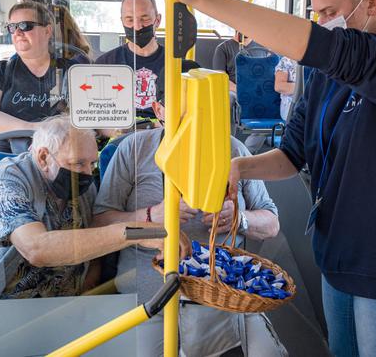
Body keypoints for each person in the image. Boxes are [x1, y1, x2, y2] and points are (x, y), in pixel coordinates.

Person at [156, 0, 376, 357]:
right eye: (315, 12)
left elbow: (337, 51)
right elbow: (294, 154)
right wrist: (240, 167)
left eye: (330, 12)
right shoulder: (323, 76)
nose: (322, 20)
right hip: (336, 251)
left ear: (372, 2)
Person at [93, 82, 286, 356]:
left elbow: (272, 223)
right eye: (184, 112)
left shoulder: (234, 150)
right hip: (149, 297)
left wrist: (240, 218)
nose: (195, 122)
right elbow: (100, 224)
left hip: (223, 296)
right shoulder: (134, 150)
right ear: (159, 110)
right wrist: (150, 216)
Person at [0, 115, 188, 300]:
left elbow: (94, 234)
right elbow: (36, 249)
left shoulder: (82, 186)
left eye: (92, 164)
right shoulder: (4, 181)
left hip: (64, 307)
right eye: (78, 163)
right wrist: (138, 232)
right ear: (44, 157)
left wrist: (92, 278)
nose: (88, 173)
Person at [0, 0, 71, 136]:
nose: (17, 33)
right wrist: (36, 129)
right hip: (10, 155)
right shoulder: (1, 72)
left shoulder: (71, 70)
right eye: (12, 27)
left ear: (47, 31)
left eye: (25, 26)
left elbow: (89, 116)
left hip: (61, 153)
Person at [94, 0, 164, 120]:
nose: (137, 26)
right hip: (118, 134)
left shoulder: (176, 65)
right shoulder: (105, 64)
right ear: (122, 22)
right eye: (130, 20)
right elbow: (96, 116)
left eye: (145, 18)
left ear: (157, 20)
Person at [274, 56, 297, 120]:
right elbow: (279, 86)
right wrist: (305, 88)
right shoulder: (286, 61)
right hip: (291, 106)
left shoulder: (318, 59)